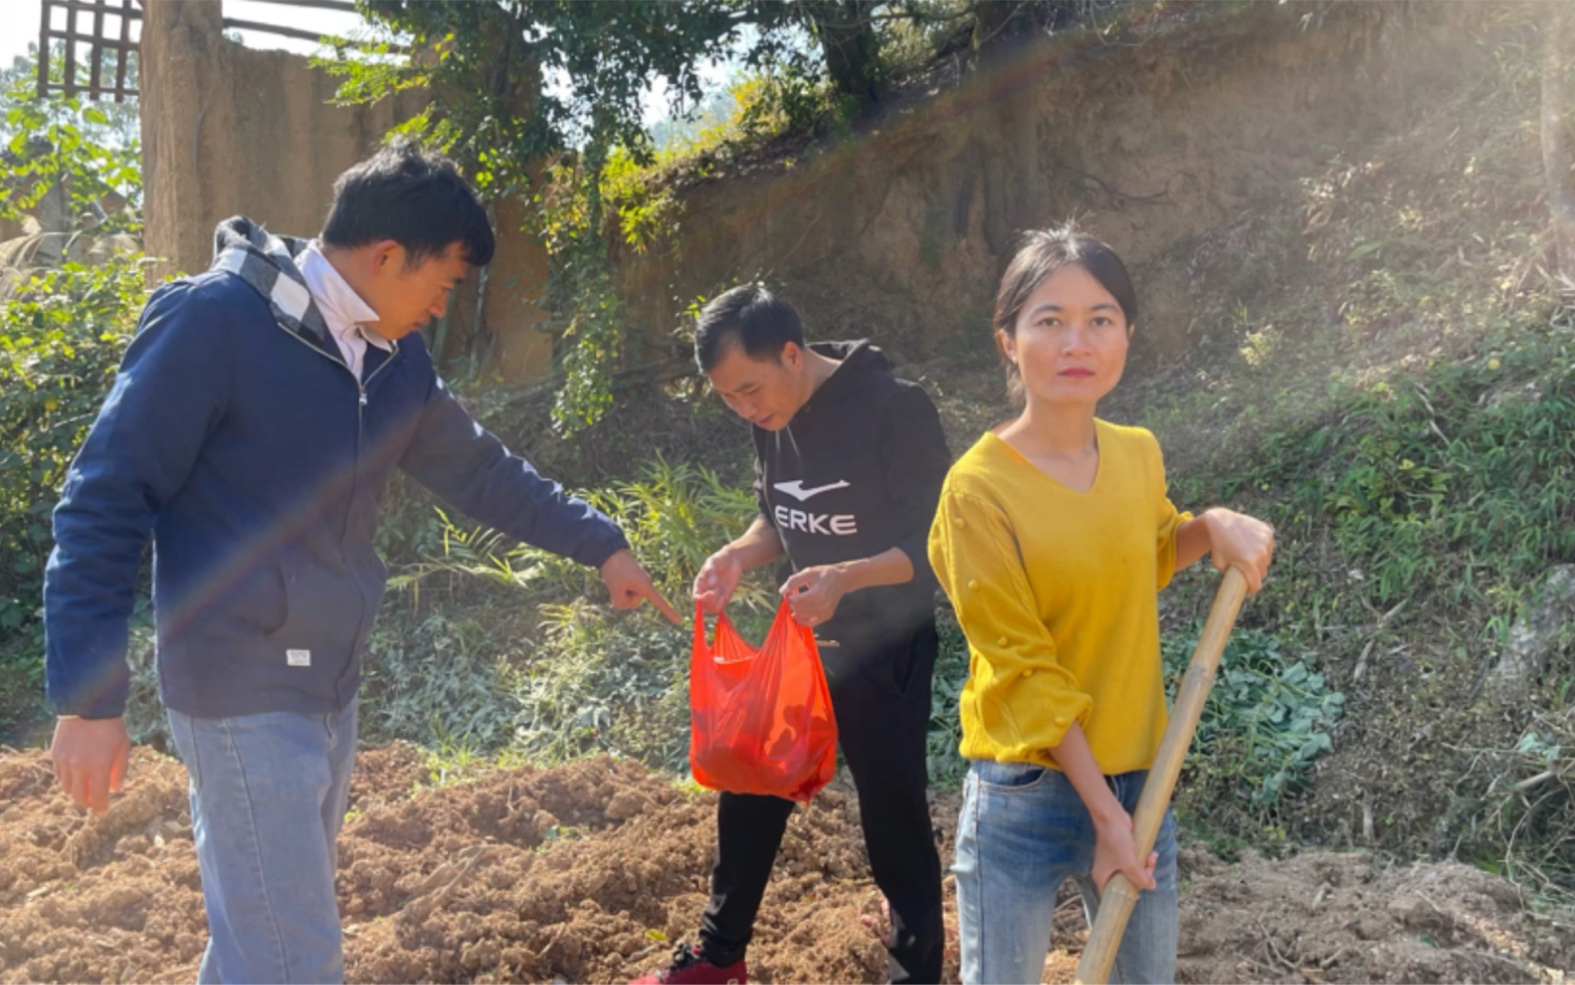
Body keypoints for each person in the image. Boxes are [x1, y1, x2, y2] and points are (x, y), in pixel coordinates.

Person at [44, 139, 679, 985]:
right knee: (293, 959)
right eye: (442, 284)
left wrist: (599, 543)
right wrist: (89, 697)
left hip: (328, 685)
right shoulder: (214, 322)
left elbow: (479, 468)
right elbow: (104, 496)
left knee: (262, 939)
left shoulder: (390, 359)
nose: (441, 308)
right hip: (238, 689)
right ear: (387, 256)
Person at [927, 226, 1275, 985]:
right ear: (1008, 341)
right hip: (1023, 789)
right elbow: (1022, 669)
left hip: (1139, 775)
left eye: (1100, 318)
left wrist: (1206, 527)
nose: (1074, 341)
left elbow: (1143, 555)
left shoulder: (1135, 451)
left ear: (1125, 334)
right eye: (1047, 320)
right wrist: (1103, 817)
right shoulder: (975, 490)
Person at [635, 284, 951, 985]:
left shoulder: (895, 408)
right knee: (750, 781)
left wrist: (846, 576)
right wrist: (736, 556)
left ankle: (914, 972)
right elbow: (779, 519)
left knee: (891, 814)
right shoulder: (772, 415)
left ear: (790, 352)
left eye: (750, 389)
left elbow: (938, 543)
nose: (747, 409)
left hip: (885, 645)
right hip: (802, 642)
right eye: (729, 399)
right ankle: (720, 956)